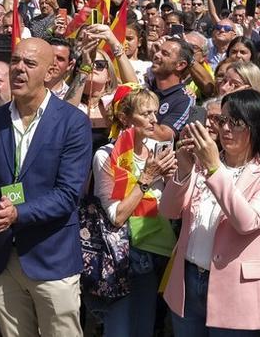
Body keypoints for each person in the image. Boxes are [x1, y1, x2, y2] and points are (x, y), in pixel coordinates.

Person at [0, 38, 92, 337]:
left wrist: (17, 214)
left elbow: (68, 194)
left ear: (51, 71)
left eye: (29, 63)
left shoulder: (72, 122)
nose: (18, 69)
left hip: (51, 258)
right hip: (3, 256)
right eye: (15, 61)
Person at [160, 89, 260, 335]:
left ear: (257, 127)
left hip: (238, 291)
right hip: (188, 281)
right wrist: (184, 169)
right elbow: (169, 210)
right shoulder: (202, 163)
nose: (225, 129)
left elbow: (247, 222)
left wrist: (213, 167)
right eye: (222, 120)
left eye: (236, 122)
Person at [86, 87, 178, 337]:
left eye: (155, 113)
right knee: (120, 330)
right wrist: (147, 177)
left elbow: (171, 207)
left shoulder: (158, 150)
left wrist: (172, 181)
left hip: (155, 250)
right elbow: (117, 215)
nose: (154, 119)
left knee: (144, 328)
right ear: (125, 118)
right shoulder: (107, 155)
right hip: (122, 257)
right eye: (146, 113)